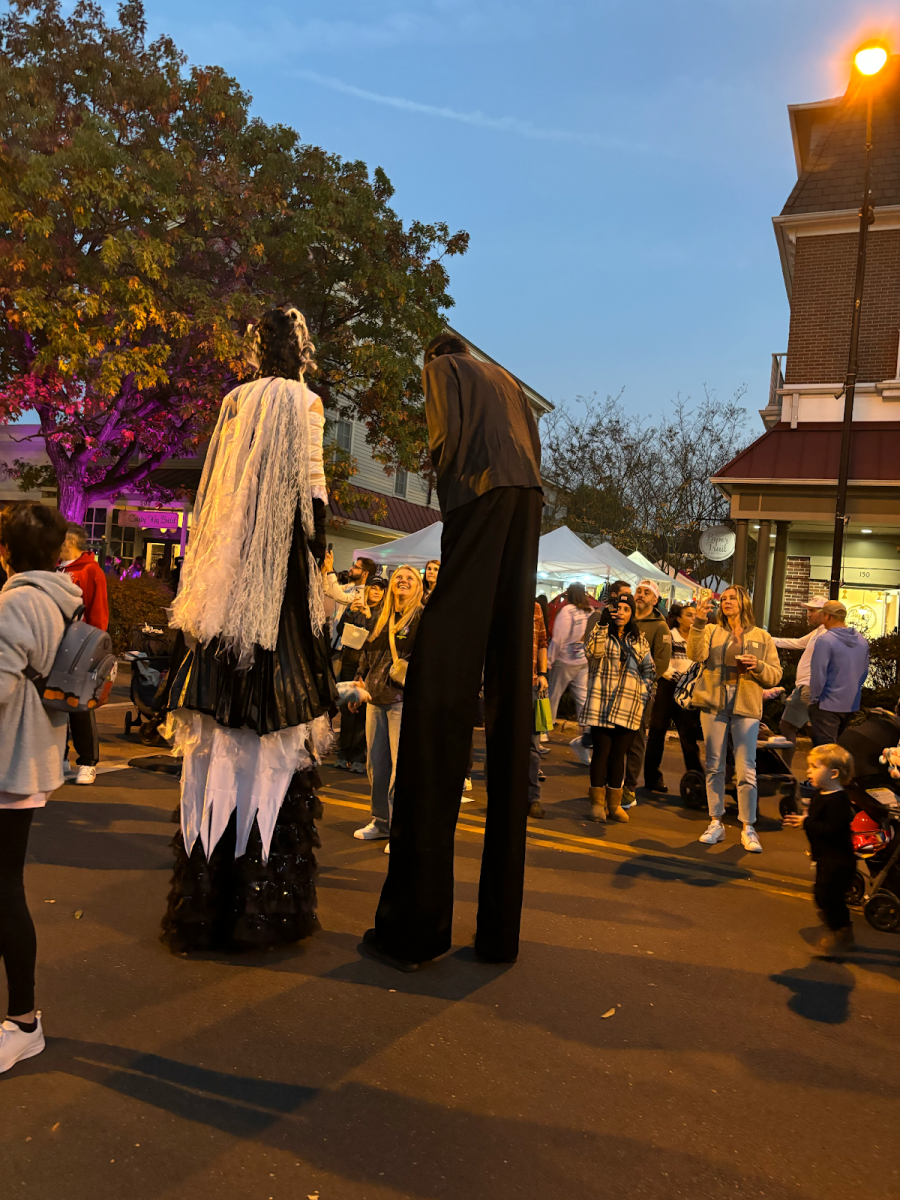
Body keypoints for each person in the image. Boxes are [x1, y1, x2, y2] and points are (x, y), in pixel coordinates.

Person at [364, 330, 543, 971]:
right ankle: (498, 935)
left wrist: (454, 506)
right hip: (526, 507)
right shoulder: (509, 384)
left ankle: (413, 929)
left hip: (481, 502)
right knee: (510, 685)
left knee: (437, 696)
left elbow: (447, 451)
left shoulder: (446, 370)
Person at [162, 306, 339, 953]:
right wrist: (315, 570)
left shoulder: (236, 402)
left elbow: (224, 493)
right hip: (279, 586)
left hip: (228, 580)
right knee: (274, 741)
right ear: (299, 347)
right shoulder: (305, 404)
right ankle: (258, 906)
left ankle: (204, 902)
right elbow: (312, 502)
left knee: (215, 745)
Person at [0, 503, 84, 1074]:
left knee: (5, 890)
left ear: (5, 550)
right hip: (30, 761)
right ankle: (22, 1018)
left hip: (6, 765)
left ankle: (25, 1021)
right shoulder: (61, 600)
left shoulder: (14, 603)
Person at [688, 585, 782, 853]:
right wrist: (698, 621)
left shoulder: (761, 636)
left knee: (746, 768)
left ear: (744, 603)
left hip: (747, 704)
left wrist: (759, 666)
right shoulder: (711, 630)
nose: (727, 602)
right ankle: (715, 822)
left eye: (732, 598)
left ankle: (748, 826)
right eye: (724, 599)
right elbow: (695, 655)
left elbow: (775, 675)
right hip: (713, 703)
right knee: (715, 765)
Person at [352, 566, 424, 850]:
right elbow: (367, 653)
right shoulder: (382, 616)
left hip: (402, 701)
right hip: (375, 698)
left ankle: (400, 828)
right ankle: (381, 822)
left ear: (418, 586)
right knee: (376, 765)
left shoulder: (421, 617)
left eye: (410, 578)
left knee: (400, 768)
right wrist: (360, 682)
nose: (403, 582)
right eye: (398, 578)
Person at [580, 594, 655, 822]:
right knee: (601, 753)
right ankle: (597, 802)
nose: (620, 613)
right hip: (601, 704)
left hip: (629, 706)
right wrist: (602, 624)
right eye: (617, 609)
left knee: (618, 756)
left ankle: (614, 804)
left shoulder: (638, 640)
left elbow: (649, 670)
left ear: (632, 613)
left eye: (626, 609)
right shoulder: (601, 633)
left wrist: (642, 693)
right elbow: (592, 653)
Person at [783, 744, 856, 953]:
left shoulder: (839, 801)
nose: (808, 771)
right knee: (823, 895)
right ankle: (838, 923)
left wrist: (806, 822)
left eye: (814, 767)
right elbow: (815, 821)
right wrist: (804, 819)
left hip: (839, 861)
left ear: (833, 773)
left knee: (827, 896)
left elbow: (830, 828)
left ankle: (841, 931)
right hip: (825, 858)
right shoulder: (820, 794)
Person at [58, 522, 110, 786]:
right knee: (55, 703)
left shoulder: (91, 571)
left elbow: (99, 613)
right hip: (55, 647)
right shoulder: (55, 569)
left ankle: (88, 762)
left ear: (70, 542)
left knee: (80, 705)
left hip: (80, 648)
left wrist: (95, 650)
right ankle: (60, 758)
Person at [642, 602, 703, 793]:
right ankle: (652, 778)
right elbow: (659, 658)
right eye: (689, 615)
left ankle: (695, 779)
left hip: (689, 690)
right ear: (678, 618)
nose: (693, 619)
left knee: (688, 735)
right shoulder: (669, 635)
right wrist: (673, 674)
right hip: (668, 687)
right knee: (658, 732)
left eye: (695, 615)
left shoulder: (697, 638)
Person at [622, 580, 672, 808]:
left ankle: (629, 788)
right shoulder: (625, 618)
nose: (640, 595)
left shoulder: (660, 627)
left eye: (646, 592)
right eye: (638, 591)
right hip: (616, 688)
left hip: (641, 692)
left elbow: (661, 663)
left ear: (655, 600)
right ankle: (612, 783)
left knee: (636, 739)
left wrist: (641, 682)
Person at [333, 577, 386, 773]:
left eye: (381, 590)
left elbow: (377, 636)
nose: (377, 592)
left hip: (368, 666)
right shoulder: (355, 607)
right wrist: (349, 612)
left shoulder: (381, 613)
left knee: (364, 711)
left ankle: (358, 756)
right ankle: (343, 753)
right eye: (374, 588)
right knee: (347, 711)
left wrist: (370, 615)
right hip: (349, 662)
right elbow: (339, 631)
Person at [773, 596, 828, 767]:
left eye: (812, 610)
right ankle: (786, 770)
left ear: (825, 613)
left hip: (811, 688)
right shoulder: (818, 632)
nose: (808, 614)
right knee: (787, 725)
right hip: (803, 687)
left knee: (814, 730)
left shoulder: (827, 634)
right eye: (808, 610)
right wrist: (767, 639)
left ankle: (823, 768)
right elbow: (797, 643)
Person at [808, 601, 870, 746]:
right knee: (837, 750)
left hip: (826, 704)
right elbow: (864, 672)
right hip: (850, 704)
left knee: (824, 754)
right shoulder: (862, 641)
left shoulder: (825, 640)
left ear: (828, 616)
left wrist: (814, 699)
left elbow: (818, 674)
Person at [547, 581, 592, 728]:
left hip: (564, 660)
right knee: (582, 697)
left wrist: (549, 660)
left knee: (552, 695)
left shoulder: (567, 611)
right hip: (583, 660)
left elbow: (559, 638)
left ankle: (543, 730)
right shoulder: (589, 611)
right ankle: (587, 731)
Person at [321, 554, 376, 645]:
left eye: (355, 567)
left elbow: (340, 596)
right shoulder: (351, 586)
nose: (351, 568)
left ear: (365, 574)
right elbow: (328, 590)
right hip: (333, 638)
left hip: (342, 644)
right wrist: (324, 572)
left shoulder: (362, 593)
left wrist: (330, 570)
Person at [529, 601, 549, 819]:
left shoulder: (535, 608)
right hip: (503, 686)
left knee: (532, 746)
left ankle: (532, 797)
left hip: (531, 684)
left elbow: (542, 642)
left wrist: (543, 673)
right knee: (499, 745)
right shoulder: (498, 601)